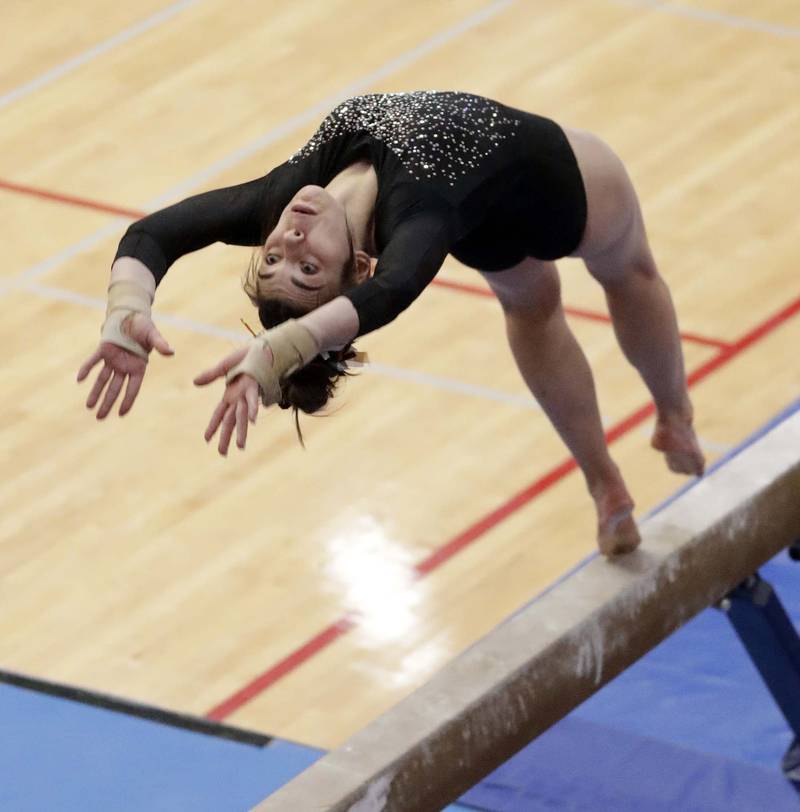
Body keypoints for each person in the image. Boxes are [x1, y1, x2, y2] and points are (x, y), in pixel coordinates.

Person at [77, 91, 705, 556]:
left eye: (272, 258)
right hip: (570, 192)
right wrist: (281, 351)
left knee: (531, 304)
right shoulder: (421, 211)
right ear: (358, 263)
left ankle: (620, 472)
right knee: (630, 273)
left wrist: (126, 308)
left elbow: (153, 233)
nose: (290, 237)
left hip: (491, 208)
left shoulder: (282, 199)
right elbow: (394, 289)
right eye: (306, 269)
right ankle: (657, 433)